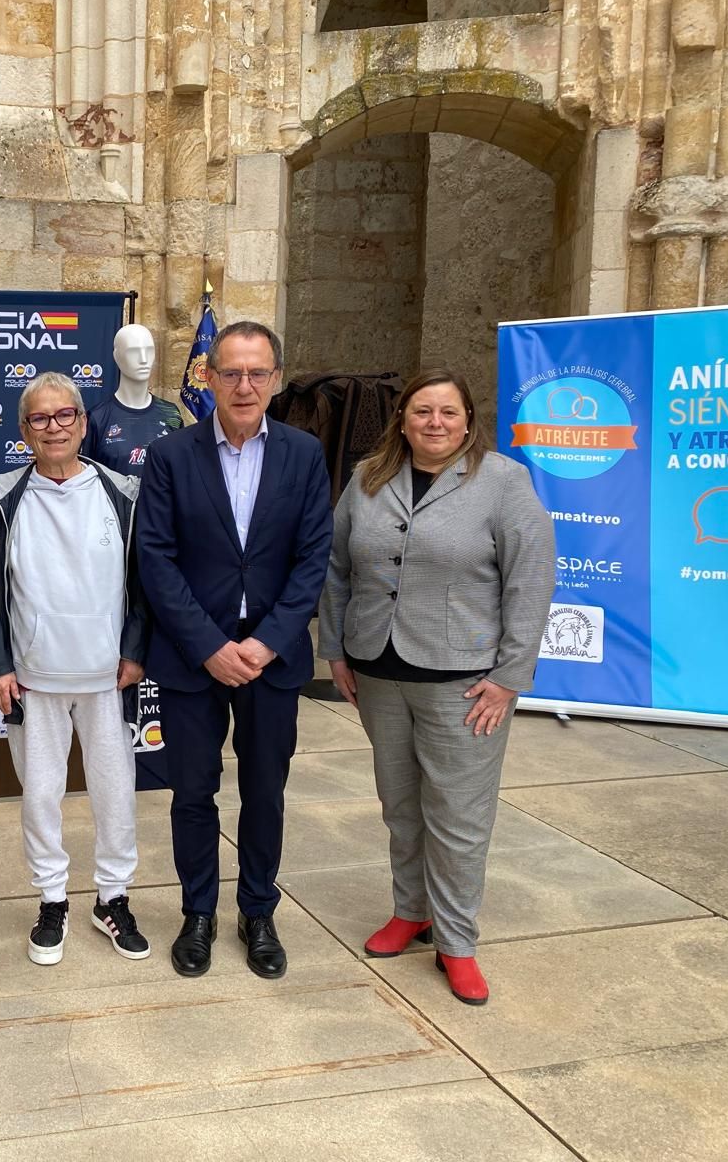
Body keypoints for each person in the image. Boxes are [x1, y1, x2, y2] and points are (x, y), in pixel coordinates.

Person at [317, 369, 554, 1006]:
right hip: (379, 670)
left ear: (469, 421)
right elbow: (337, 569)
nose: (436, 423)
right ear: (403, 419)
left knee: (459, 818)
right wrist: (335, 648)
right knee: (400, 804)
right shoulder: (369, 479)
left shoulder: (503, 482)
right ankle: (411, 911)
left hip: (465, 683)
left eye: (449, 412)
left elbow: (531, 581)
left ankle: (457, 942)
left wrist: (510, 678)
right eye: (423, 411)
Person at [135, 321, 332, 980]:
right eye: (231, 372)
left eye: (257, 373)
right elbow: (155, 559)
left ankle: (258, 910)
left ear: (274, 379)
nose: (244, 385)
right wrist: (212, 645)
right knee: (193, 792)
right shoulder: (170, 455)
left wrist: (268, 643)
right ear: (208, 377)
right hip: (194, 658)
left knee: (265, 792)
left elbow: (313, 560)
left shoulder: (305, 455)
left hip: (272, 661)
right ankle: (198, 912)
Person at [0, 371, 151, 966]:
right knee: (40, 796)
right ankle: (52, 901)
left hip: (107, 678)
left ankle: (113, 898)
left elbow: (144, 585)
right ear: (24, 430)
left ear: (83, 421)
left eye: (64, 415)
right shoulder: (0, 498)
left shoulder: (123, 493)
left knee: (116, 793)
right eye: (40, 418)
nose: (54, 427)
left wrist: (134, 650)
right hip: (32, 679)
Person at [81, 324, 183, 473]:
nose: (143, 359)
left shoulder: (171, 414)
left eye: (149, 351)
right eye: (134, 352)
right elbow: (87, 478)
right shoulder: (98, 418)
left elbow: (179, 471)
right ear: (117, 356)